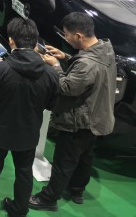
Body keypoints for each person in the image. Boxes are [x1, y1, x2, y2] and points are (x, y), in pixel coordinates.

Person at [29, 12, 117, 212]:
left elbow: (66, 87)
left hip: (79, 121)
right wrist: (66, 57)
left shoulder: (86, 64)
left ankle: (48, 198)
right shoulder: (105, 50)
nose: (65, 38)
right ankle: (77, 189)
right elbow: (88, 73)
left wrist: (55, 66)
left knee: (64, 162)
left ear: (78, 36)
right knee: (85, 157)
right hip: (97, 117)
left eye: (67, 35)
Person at [0, 18, 60, 217]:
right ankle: (20, 209)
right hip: (28, 132)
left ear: (11, 41)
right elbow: (52, 105)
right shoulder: (50, 74)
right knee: (24, 171)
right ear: (35, 42)